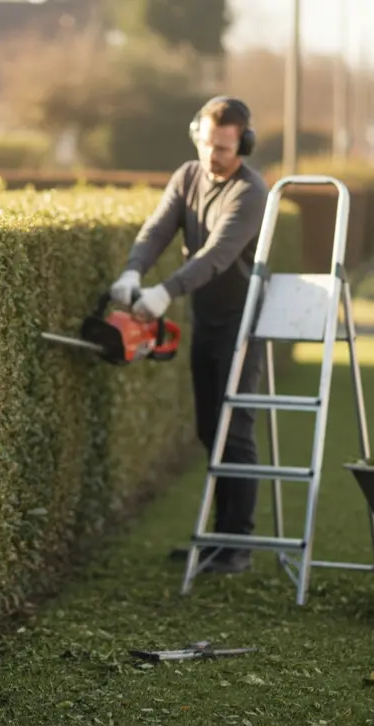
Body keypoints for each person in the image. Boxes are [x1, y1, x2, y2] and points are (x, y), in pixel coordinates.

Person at [109, 95, 269, 574]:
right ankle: (218, 541)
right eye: (206, 144)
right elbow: (158, 229)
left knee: (234, 430)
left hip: (243, 321)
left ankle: (236, 545)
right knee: (207, 428)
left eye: (222, 148)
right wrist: (134, 272)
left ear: (244, 143)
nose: (212, 156)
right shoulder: (187, 176)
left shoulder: (250, 192)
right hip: (207, 316)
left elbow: (216, 255)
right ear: (196, 134)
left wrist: (166, 291)